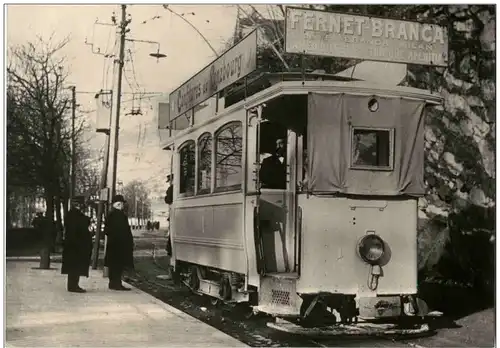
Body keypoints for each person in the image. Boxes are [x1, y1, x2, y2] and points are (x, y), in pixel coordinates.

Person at [61, 196, 92, 293]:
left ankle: (73, 285)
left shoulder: (70, 215)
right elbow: (80, 227)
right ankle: (73, 286)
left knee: (73, 266)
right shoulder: (76, 216)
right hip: (76, 245)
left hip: (72, 245)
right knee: (75, 266)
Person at [104, 194, 134, 291]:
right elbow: (124, 231)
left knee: (113, 264)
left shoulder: (110, 214)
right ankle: (117, 284)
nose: (123, 205)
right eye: (122, 203)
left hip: (113, 244)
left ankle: (112, 283)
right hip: (120, 245)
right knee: (118, 265)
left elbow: (107, 231)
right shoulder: (120, 215)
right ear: (118, 204)